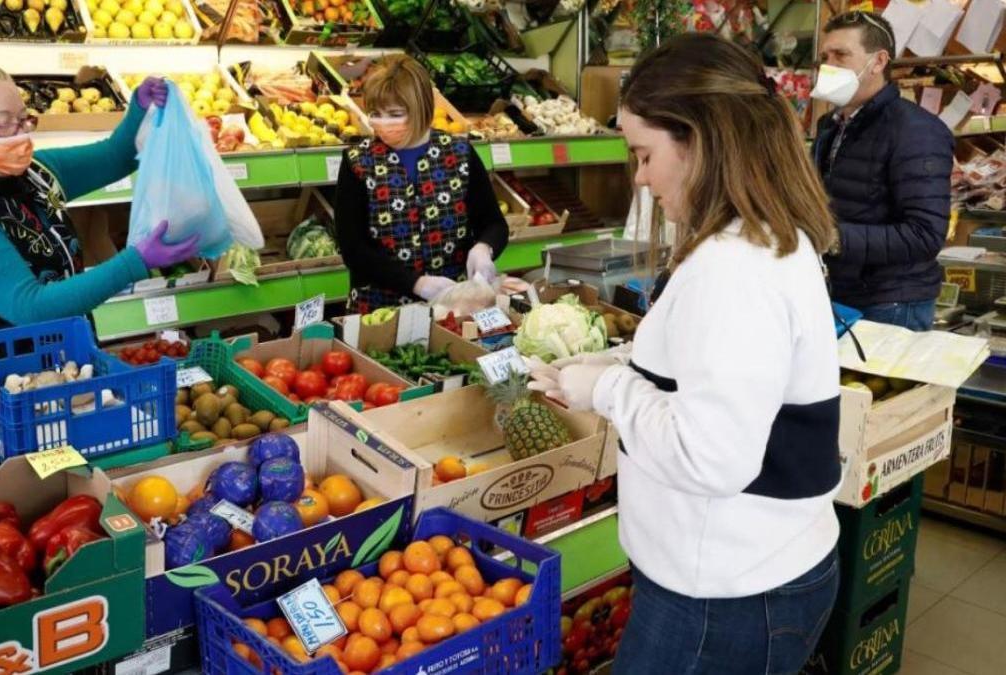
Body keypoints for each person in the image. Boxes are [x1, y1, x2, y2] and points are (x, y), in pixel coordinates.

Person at [529, 34, 842, 673]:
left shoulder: (733, 268)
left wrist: (609, 392)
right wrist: (618, 367)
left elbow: (713, 458)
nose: (640, 177)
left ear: (700, 139)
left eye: (644, 154)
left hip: (723, 594)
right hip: (756, 567)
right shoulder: (766, 238)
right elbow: (717, 385)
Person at [0, 55, 200, 335]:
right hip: (12, 370)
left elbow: (114, 157)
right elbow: (31, 307)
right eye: (3, 124)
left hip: (72, 356)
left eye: (23, 119)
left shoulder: (38, 173)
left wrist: (140, 107)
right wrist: (135, 262)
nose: (20, 134)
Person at [333, 55, 508, 313]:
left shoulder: (459, 154)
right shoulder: (358, 162)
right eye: (375, 114)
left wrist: (484, 248)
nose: (383, 123)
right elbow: (353, 248)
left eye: (395, 114)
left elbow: (493, 223)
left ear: (422, 109)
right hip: (380, 312)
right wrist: (416, 283)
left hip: (454, 307)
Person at [814, 11, 954, 331]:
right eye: (825, 56)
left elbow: (925, 234)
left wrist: (833, 238)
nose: (829, 65)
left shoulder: (916, 131)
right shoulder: (831, 127)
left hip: (892, 304)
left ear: (878, 62)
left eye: (841, 55)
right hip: (842, 293)